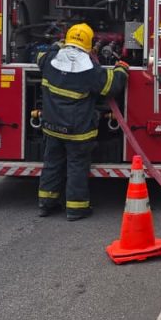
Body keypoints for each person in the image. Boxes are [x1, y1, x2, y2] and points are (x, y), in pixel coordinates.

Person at [36, 22, 128, 221]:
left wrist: (57, 45)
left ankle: (46, 204)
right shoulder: (89, 70)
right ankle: (76, 208)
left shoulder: (50, 60)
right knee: (76, 166)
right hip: (77, 132)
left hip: (51, 128)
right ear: (89, 44)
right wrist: (121, 69)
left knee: (52, 164)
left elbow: (40, 56)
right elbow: (111, 85)